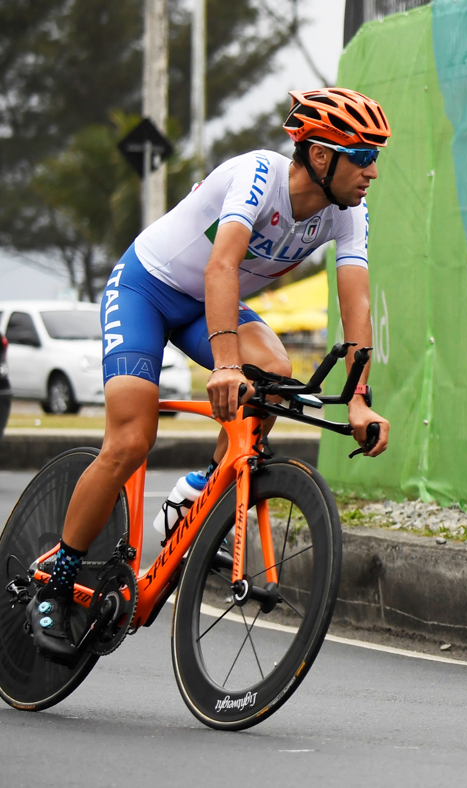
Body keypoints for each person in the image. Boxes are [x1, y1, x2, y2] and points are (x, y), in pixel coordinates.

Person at [27, 88, 393, 663]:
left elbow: (357, 303)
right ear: (321, 156)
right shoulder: (258, 176)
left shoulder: (348, 213)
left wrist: (359, 397)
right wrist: (224, 367)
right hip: (146, 290)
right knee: (131, 440)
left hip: (204, 306)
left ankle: (198, 490)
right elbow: (222, 265)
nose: (373, 171)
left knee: (274, 373)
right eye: (364, 157)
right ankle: (57, 577)